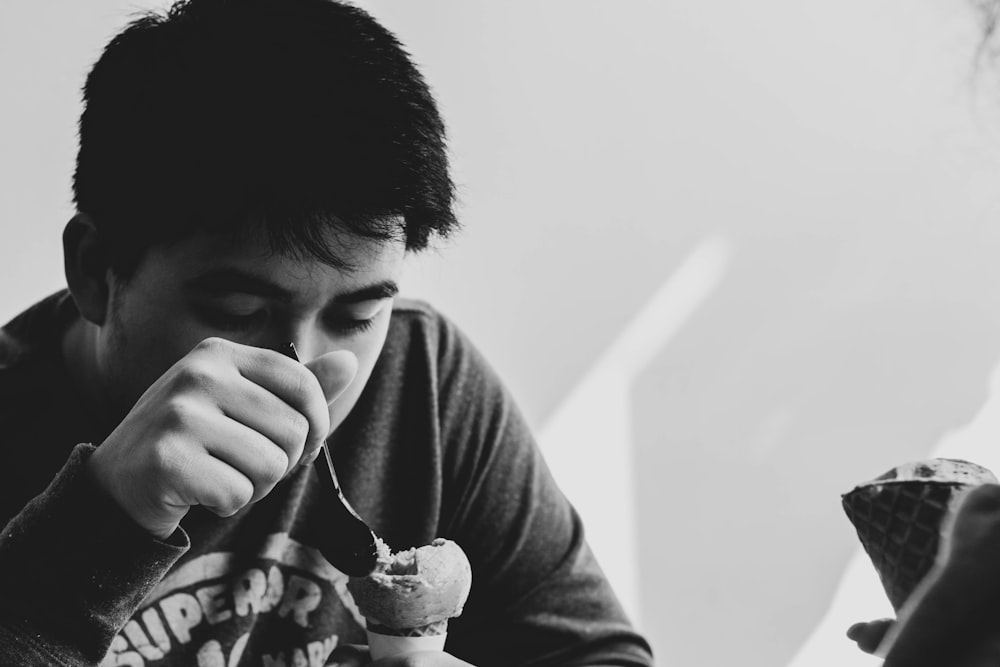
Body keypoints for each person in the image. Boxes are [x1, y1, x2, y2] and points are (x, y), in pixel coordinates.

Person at [0, 1, 654, 665]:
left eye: (356, 316)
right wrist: (104, 520)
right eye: (238, 310)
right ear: (93, 270)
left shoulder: (423, 382)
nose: (303, 374)